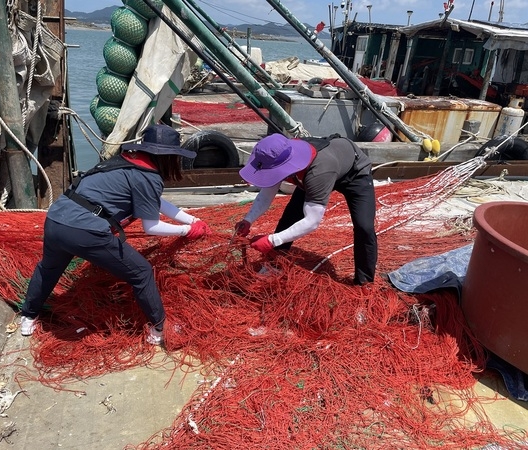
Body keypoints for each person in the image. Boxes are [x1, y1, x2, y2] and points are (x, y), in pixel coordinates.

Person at [20, 124, 211, 344]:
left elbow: (154, 202)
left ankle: (28, 317)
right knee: (142, 272)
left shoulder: (125, 162)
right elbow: (152, 227)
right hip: (86, 232)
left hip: (55, 221)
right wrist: (187, 231)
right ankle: (158, 329)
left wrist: (191, 219)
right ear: (169, 156)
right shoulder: (149, 177)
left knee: (49, 269)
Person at [234, 133, 377, 285]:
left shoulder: (318, 172)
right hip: (316, 170)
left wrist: (272, 240)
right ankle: (274, 266)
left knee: (364, 227)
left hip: (354, 172)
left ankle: (364, 282)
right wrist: (248, 220)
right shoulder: (281, 154)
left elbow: (312, 221)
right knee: (290, 217)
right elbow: (266, 194)